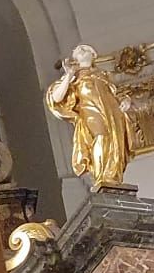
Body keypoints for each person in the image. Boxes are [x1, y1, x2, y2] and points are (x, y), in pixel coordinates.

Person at [46, 44, 132, 189]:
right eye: (78, 50)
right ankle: (102, 178)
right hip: (90, 113)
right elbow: (56, 97)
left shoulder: (104, 75)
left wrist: (126, 100)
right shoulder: (74, 75)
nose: (81, 50)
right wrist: (69, 76)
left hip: (113, 113)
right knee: (100, 137)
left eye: (85, 49)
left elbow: (117, 93)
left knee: (115, 142)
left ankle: (113, 177)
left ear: (94, 54)